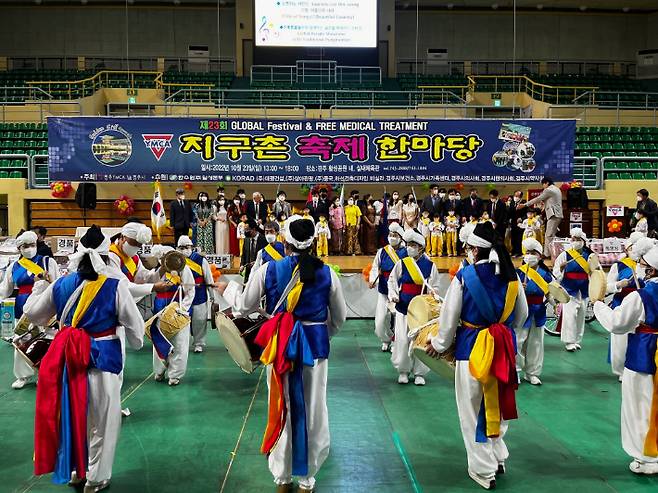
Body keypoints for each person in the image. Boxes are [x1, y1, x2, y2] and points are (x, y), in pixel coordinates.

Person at [220, 215, 347, 493]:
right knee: (313, 409)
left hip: (279, 345)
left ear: (284, 242)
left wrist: (226, 289)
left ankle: (282, 476)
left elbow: (242, 307)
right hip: (314, 349)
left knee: (281, 405)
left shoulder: (268, 270)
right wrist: (319, 336)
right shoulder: (328, 274)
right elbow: (339, 319)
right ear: (313, 242)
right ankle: (308, 477)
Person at [24, 225, 144, 493]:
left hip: (70, 362)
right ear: (104, 255)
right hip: (102, 359)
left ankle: (77, 471)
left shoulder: (61, 284)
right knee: (103, 421)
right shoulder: (114, 285)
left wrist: (39, 286)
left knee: (74, 415)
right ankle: (97, 477)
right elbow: (135, 326)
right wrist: (136, 343)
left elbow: (34, 314)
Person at [427, 221, 527, 490]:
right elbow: (522, 316)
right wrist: (502, 330)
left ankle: (483, 469)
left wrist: (436, 345)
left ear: (473, 249)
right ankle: (498, 455)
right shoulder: (512, 275)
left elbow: (448, 322)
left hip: (471, 349)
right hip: (504, 348)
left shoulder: (465, 277)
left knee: (472, 409)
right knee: (499, 401)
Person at [593, 244, 658, 476]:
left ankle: (647, 458)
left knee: (639, 404)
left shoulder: (640, 297)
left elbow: (617, 324)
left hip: (644, 353)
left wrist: (598, 305)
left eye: (642, 264)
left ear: (650, 270)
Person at [0, 230, 59, 389]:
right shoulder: (14, 266)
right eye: (25, 246)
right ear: (19, 249)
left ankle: (45, 373)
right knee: (21, 341)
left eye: (32, 245)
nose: (29, 248)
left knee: (45, 340)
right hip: (22, 307)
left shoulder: (47, 262)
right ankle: (23, 376)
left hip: (43, 305)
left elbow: (57, 284)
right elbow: (5, 290)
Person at [387, 228, 440, 386]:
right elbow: (392, 281)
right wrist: (393, 295)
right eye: (408, 244)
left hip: (421, 310)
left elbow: (434, 286)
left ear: (420, 247)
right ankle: (403, 370)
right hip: (404, 307)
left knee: (419, 341)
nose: (409, 247)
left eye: (412, 245)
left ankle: (419, 372)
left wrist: (433, 296)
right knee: (402, 340)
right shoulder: (402, 263)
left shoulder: (430, 265)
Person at [151, 245, 195, 386]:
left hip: (178, 311)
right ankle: (159, 371)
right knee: (158, 342)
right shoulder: (158, 271)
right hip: (160, 309)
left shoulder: (184, 269)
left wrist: (182, 309)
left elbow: (190, 290)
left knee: (180, 343)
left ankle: (174, 375)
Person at [605, 232, 646, 380]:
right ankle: (621, 370)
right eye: (631, 247)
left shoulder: (646, 266)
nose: (634, 250)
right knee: (620, 339)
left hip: (640, 305)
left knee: (639, 336)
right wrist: (617, 285)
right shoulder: (619, 265)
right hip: (621, 303)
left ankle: (637, 365)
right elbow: (606, 287)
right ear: (627, 249)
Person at [553, 228, 598, 352]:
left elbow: (595, 272)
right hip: (569, 288)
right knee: (570, 315)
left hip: (583, 288)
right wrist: (561, 269)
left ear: (583, 241)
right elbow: (555, 272)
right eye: (573, 239)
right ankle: (569, 341)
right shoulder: (565, 255)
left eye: (578, 239)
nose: (575, 241)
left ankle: (577, 340)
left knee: (581, 314)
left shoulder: (590, 256)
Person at [516, 238, 553, 386]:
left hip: (538, 311)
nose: (530, 255)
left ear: (539, 256)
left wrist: (555, 302)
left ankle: (532, 373)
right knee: (519, 341)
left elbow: (551, 291)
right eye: (528, 253)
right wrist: (520, 289)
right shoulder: (518, 273)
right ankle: (515, 371)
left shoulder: (545, 274)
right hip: (522, 311)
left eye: (533, 253)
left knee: (536, 342)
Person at [369, 222, 407, 352]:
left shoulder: (406, 252)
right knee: (380, 320)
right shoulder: (382, 251)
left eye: (395, 235)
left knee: (398, 318)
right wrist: (372, 279)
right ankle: (386, 338)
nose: (392, 237)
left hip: (399, 291)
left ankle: (396, 341)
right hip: (384, 289)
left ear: (400, 237)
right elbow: (375, 266)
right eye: (390, 235)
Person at [176, 236, 217, 353]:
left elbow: (208, 279)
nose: (185, 250)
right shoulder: (176, 260)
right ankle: (181, 344)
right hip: (183, 295)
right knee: (182, 321)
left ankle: (199, 343)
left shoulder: (201, 260)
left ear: (192, 247)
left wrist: (212, 296)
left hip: (200, 295)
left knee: (200, 320)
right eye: (182, 248)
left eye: (187, 247)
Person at [518, 176, 563, 257]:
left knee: (548, 235)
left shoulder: (549, 190)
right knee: (551, 235)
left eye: (543, 184)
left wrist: (525, 205)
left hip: (554, 215)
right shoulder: (557, 189)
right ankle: (552, 253)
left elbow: (538, 198)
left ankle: (546, 254)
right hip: (557, 214)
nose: (543, 186)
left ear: (547, 183)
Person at [508, 190, 525, 257]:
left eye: (517, 196)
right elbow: (509, 212)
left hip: (520, 224)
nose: (515, 197)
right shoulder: (512, 203)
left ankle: (518, 252)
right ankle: (513, 251)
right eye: (515, 196)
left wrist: (522, 218)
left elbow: (526, 213)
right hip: (513, 223)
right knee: (513, 238)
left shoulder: (524, 203)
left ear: (520, 197)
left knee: (519, 238)